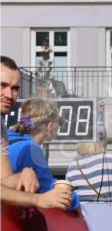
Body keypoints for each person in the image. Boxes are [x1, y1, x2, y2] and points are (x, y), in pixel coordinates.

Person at [0, 57, 69, 209]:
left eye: (15, 88)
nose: (10, 95)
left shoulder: (3, 130)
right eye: (2, 85)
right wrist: (38, 199)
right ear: (50, 125)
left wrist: (25, 173)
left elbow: (4, 182)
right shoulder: (31, 148)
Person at [7, 98, 80, 210]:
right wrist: (75, 200)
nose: (59, 127)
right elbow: (48, 189)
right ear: (50, 126)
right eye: (59, 122)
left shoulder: (7, 140)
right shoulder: (31, 149)